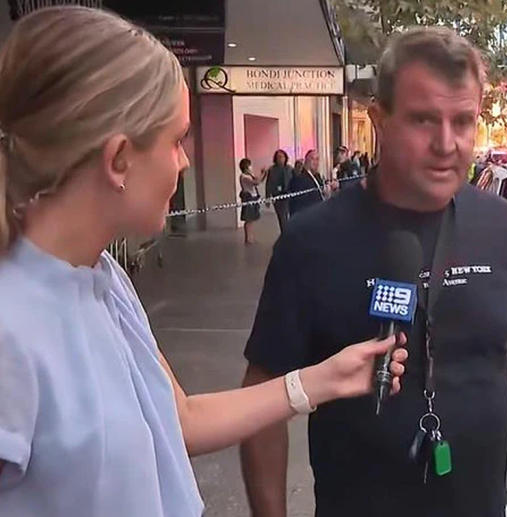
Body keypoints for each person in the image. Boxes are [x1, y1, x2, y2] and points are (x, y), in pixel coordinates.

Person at [0, 7, 409, 517]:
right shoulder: (11, 330)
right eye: (176, 141)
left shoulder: (103, 276)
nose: (186, 161)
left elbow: (181, 420)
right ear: (119, 158)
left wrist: (327, 378)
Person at [240, 27, 507, 517]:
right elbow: (263, 396)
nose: (447, 143)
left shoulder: (499, 224)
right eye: (423, 120)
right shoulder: (310, 243)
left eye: (463, 121)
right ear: (379, 119)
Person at [288, 150, 324, 217]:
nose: (315, 162)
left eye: (317, 159)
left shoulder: (317, 176)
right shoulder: (299, 179)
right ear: (306, 161)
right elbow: (297, 204)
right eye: (312, 159)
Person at [265, 149, 293, 233]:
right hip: (277, 195)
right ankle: (285, 233)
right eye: (278, 157)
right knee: (281, 216)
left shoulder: (289, 169)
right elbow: (268, 183)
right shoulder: (272, 170)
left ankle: (289, 232)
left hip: (289, 194)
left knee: (288, 215)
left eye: (282, 157)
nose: (280, 159)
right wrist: (267, 198)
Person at [239, 158, 264, 244]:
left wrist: (262, 174)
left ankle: (251, 237)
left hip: (253, 198)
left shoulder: (249, 175)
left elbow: (258, 179)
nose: (251, 167)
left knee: (252, 219)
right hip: (248, 198)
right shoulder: (244, 177)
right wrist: (263, 173)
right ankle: (248, 238)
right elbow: (256, 182)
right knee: (248, 219)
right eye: (249, 166)